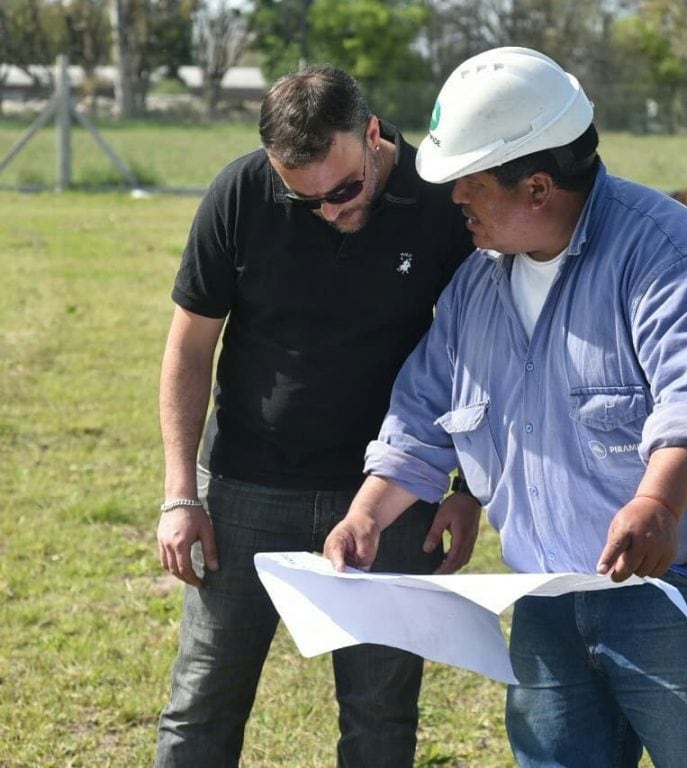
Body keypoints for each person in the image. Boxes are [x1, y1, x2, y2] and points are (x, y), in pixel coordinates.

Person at [324, 47, 687, 768]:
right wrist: (366, 516)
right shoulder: (477, 287)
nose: (455, 198)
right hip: (548, 604)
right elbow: (424, 412)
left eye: (469, 182)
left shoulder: (668, 259)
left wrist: (657, 502)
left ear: (536, 188)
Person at [154, 64, 480, 768]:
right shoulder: (242, 192)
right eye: (306, 201)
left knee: (381, 717)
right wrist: (182, 494)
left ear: (372, 134)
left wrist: (468, 489)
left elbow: (479, 354)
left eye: (344, 191)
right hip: (245, 487)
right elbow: (190, 348)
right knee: (201, 703)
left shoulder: (441, 200)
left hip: (392, 497)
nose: (329, 210)